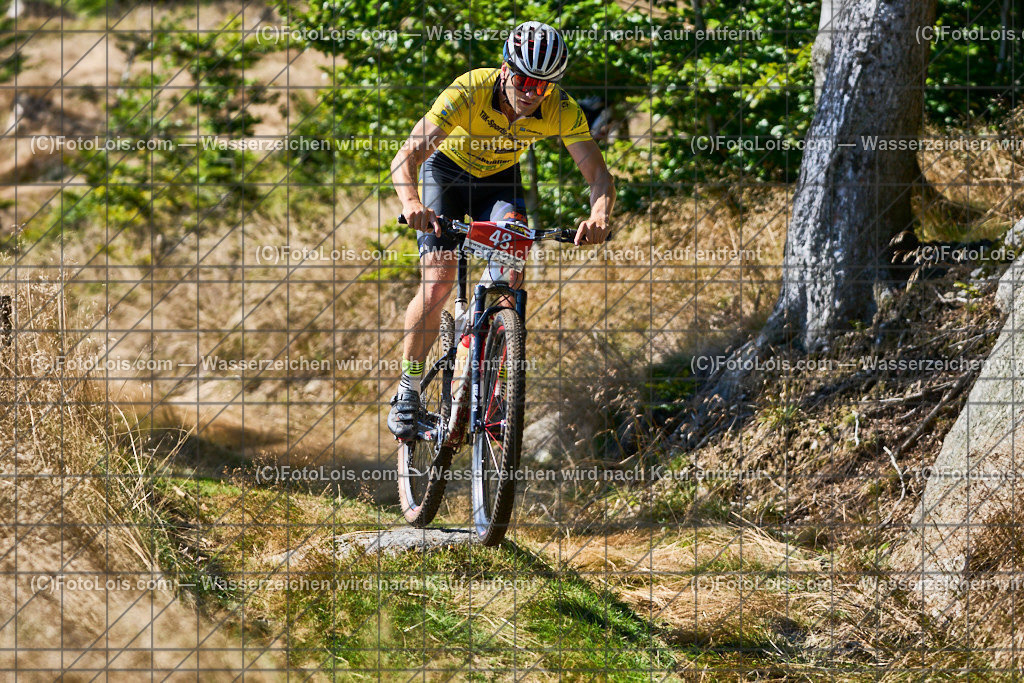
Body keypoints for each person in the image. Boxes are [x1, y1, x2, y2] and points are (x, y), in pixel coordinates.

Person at [387, 20, 616, 440]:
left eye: (543, 86)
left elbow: (598, 176)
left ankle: (489, 380)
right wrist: (413, 203)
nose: (532, 93)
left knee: (510, 272)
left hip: (499, 182)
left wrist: (598, 216)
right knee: (437, 283)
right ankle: (408, 390)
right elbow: (407, 156)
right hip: (447, 175)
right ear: (506, 69)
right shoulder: (470, 90)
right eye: (525, 79)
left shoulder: (561, 109)